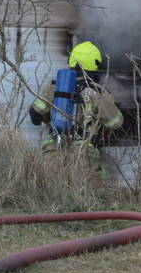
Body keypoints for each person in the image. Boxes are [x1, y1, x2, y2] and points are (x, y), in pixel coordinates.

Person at [29, 41, 123, 176]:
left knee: (52, 192)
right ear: (94, 65)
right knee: (87, 193)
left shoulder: (54, 87)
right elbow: (116, 123)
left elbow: (34, 116)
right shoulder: (98, 93)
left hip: (53, 153)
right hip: (83, 155)